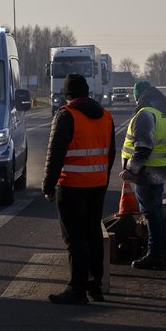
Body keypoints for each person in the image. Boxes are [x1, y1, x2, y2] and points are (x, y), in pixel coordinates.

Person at [42, 73, 116, 304]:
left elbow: (55, 154)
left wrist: (48, 185)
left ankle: (77, 289)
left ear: (68, 95)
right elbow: (110, 153)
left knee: (75, 240)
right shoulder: (105, 116)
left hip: (72, 186)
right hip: (97, 185)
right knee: (93, 235)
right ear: (88, 93)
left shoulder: (66, 115)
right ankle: (95, 287)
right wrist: (103, 179)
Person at [121, 80, 166, 270]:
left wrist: (130, 170)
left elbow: (142, 149)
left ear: (140, 95)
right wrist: (163, 166)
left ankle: (155, 255)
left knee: (152, 215)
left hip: (144, 174)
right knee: (155, 214)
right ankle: (157, 252)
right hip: (158, 171)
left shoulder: (145, 114)